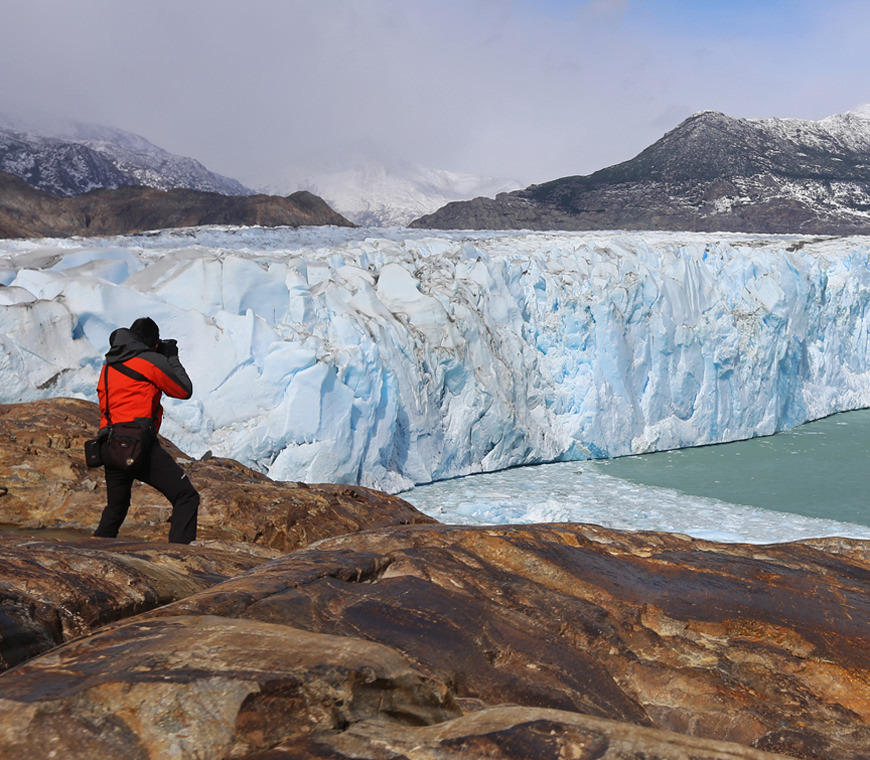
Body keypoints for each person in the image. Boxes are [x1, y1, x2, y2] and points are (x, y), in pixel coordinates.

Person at [93, 316, 200, 544]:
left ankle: (93, 553)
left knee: (116, 508)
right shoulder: (148, 360)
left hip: (110, 446)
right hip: (138, 446)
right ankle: (179, 558)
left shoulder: (108, 366)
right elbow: (183, 390)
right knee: (186, 496)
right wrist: (171, 357)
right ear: (152, 343)